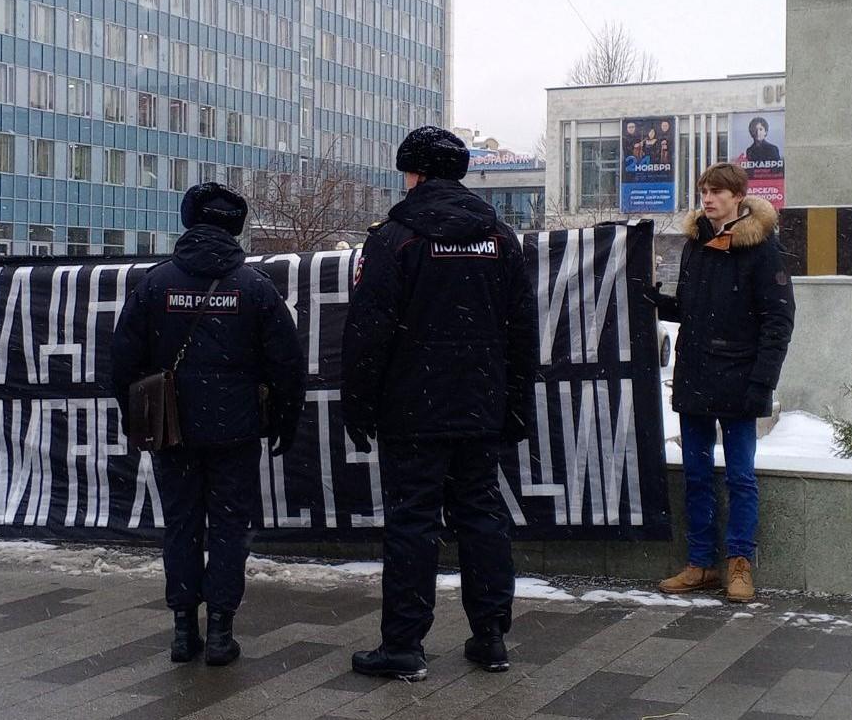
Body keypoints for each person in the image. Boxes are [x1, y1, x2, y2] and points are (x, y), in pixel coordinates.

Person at [342, 126, 538, 682]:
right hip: (481, 406)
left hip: (412, 408)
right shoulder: (499, 237)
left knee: (412, 522)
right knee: (482, 516)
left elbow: (367, 332)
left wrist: (358, 406)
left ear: (414, 174)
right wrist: (515, 402)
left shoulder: (394, 238)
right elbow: (522, 330)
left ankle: (404, 646)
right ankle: (491, 636)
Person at [112, 183, 304, 667]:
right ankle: (220, 630)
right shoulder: (255, 287)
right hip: (235, 430)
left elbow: (121, 362)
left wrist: (139, 418)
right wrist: (285, 417)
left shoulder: (155, 284)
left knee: (180, 525)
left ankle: (182, 630)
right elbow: (286, 362)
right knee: (227, 527)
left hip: (172, 430)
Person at [649, 163, 794, 603]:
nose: (708, 199)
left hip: (739, 379)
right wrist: (655, 302)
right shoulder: (695, 243)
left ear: (738, 196)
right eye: (704, 191)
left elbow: (778, 322)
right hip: (694, 375)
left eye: (717, 192)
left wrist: (761, 384)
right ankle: (700, 564)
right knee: (696, 475)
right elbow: (694, 312)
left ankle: (739, 565)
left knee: (740, 477)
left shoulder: (762, 248)